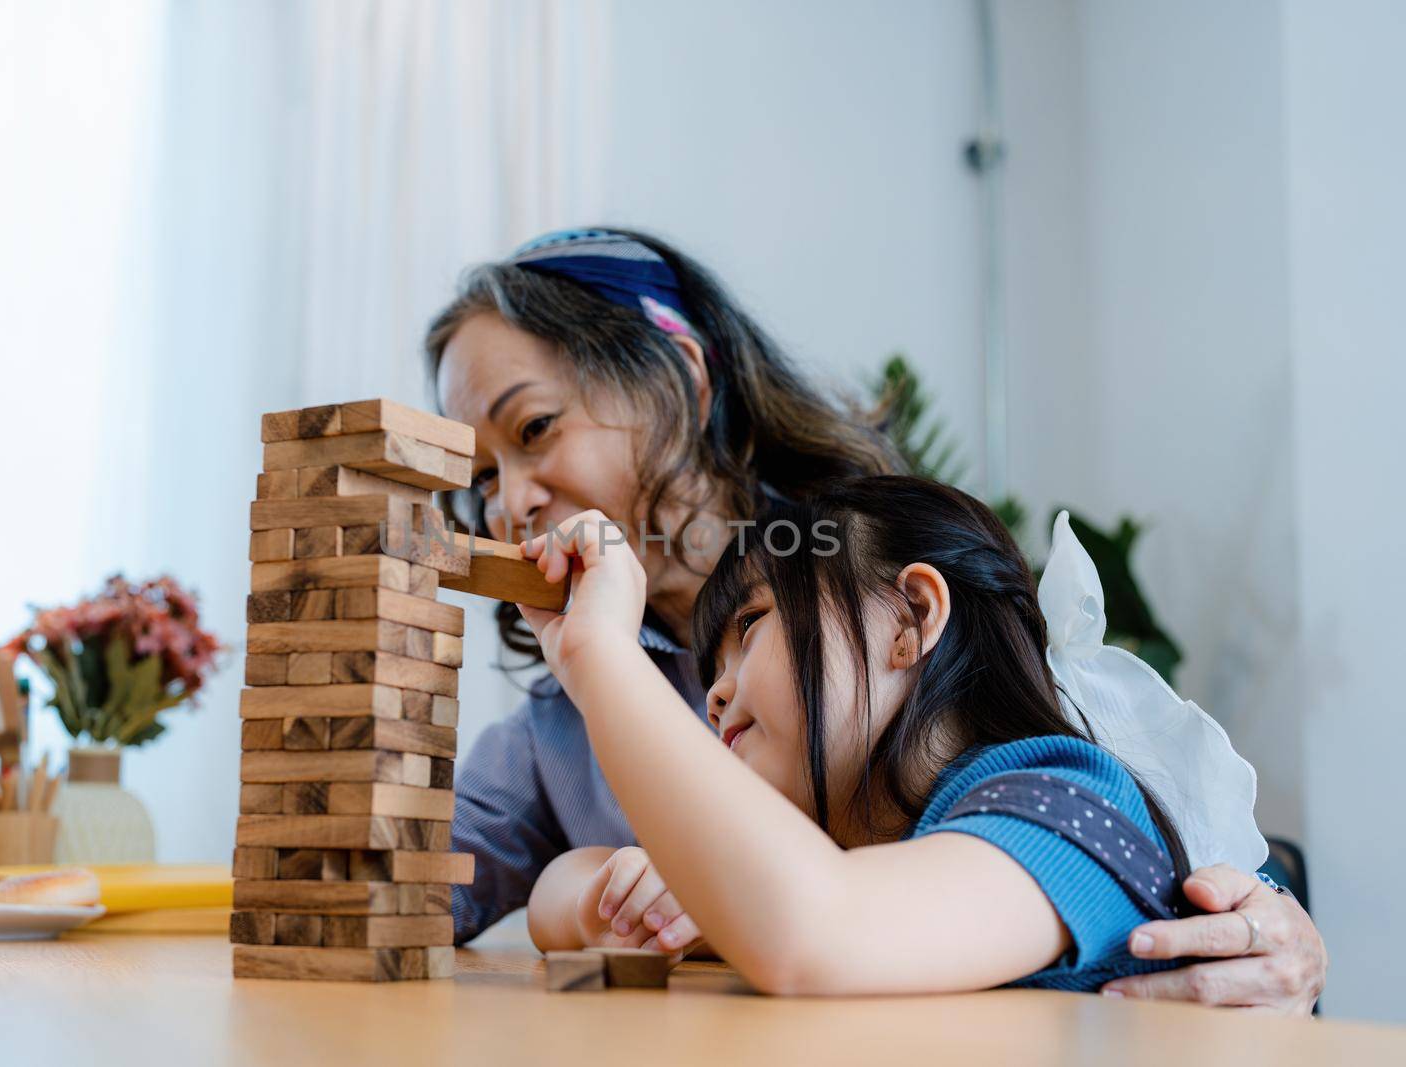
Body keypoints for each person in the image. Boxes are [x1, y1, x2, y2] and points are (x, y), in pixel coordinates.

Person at [428, 228, 1327, 1007]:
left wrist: (1277, 921)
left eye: (536, 427)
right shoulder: (569, 720)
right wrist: (612, 892)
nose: (509, 504)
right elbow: (420, 882)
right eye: (479, 480)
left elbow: (1160, 827)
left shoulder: (882, 595)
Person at [524, 482, 1197, 993]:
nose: (715, 693)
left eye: (752, 623)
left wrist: (601, 654)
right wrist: (614, 901)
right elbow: (556, 891)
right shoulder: (846, 851)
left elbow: (815, 931)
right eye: (713, 669)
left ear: (910, 616)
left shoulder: (1070, 801)